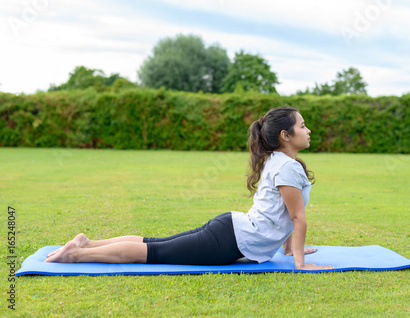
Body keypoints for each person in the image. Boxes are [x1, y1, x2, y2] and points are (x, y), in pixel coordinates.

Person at [45, 107, 332, 271]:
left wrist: (289, 249)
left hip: (230, 230)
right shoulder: (287, 167)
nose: (308, 131)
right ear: (286, 135)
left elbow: (281, 215)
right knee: (154, 253)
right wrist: (299, 263)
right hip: (229, 239)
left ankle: (87, 243)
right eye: (303, 126)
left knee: (155, 244)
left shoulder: (278, 161)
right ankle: (76, 254)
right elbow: (296, 218)